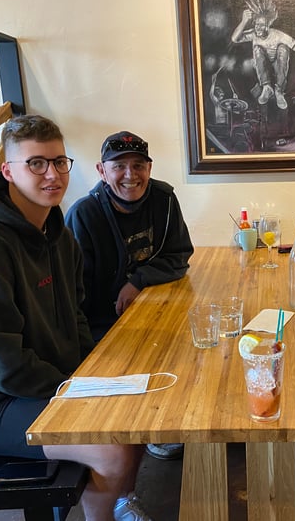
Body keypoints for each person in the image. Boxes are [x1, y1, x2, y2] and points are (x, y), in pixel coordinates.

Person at [0, 115, 151, 521]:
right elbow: (2, 368)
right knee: (112, 448)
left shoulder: (57, 233)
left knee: (134, 417)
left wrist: (94, 375)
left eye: (59, 161)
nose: (52, 174)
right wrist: (74, 392)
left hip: (44, 383)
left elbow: (76, 316)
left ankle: (117, 502)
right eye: (36, 163)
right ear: (7, 170)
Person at [65, 130, 193, 461]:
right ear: (101, 170)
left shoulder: (164, 199)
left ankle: (164, 422)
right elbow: (75, 294)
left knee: (192, 342)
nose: (130, 175)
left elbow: (180, 255)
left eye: (139, 165)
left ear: (149, 168)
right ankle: (134, 435)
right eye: (119, 166)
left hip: (149, 305)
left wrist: (138, 280)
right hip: (102, 320)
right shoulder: (83, 215)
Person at [231, 1, 295, 110]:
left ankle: (279, 91)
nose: (258, 27)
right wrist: (244, 21)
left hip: (279, 65)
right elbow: (235, 39)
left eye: (262, 25)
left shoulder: (279, 35)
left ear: (268, 25)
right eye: (257, 24)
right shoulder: (254, 34)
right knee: (257, 49)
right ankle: (267, 88)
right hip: (263, 67)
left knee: (283, 48)